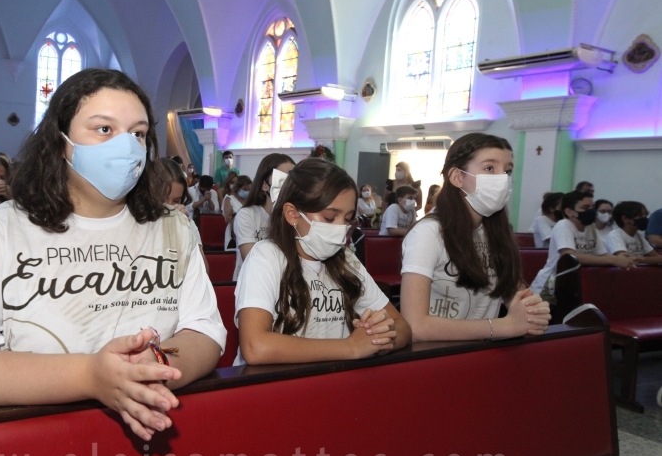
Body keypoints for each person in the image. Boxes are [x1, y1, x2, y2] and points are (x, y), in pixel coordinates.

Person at [0, 68, 226, 442]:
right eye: (104, 129)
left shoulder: (174, 228)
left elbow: (205, 330)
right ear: (61, 141)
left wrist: (156, 363)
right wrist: (91, 377)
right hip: (30, 443)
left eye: (138, 133)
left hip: (156, 431)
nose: (126, 146)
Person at [235, 158, 411, 365]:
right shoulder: (266, 256)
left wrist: (376, 335)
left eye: (347, 219)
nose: (340, 228)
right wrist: (351, 347)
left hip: (331, 383)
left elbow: (402, 327)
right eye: (329, 218)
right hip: (276, 385)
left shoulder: (345, 260)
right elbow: (255, 346)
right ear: (292, 214)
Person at [401, 133, 551, 341]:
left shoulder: (495, 231)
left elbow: (515, 294)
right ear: (457, 177)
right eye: (490, 168)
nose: (502, 178)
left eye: (507, 171)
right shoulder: (429, 232)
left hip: (483, 353)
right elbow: (415, 326)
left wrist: (534, 312)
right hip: (435, 357)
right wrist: (505, 326)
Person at [530, 191, 635, 296]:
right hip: (550, 286)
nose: (591, 211)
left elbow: (602, 255)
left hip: (575, 283)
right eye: (585, 208)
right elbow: (570, 256)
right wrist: (613, 260)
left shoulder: (591, 227)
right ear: (569, 212)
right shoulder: (563, 225)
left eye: (592, 208)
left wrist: (621, 258)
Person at [233, 153, 296, 281]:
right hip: (253, 282)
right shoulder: (247, 215)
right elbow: (251, 258)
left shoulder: (296, 216)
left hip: (285, 283)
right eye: (282, 178)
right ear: (265, 185)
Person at [223, 174, 251, 251]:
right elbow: (228, 218)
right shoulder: (230, 199)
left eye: (249, 189)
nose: (247, 192)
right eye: (245, 189)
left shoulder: (250, 200)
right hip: (233, 232)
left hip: (248, 231)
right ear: (238, 188)